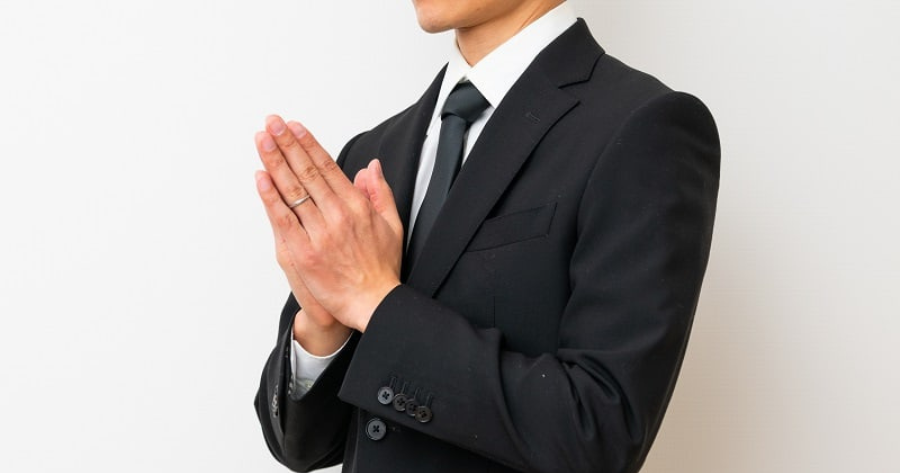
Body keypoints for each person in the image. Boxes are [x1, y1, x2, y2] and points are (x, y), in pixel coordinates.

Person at [252, 1, 720, 472]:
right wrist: (322, 329)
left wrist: (374, 302)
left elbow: (599, 435)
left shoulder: (645, 126)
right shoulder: (373, 151)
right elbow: (301, 447)